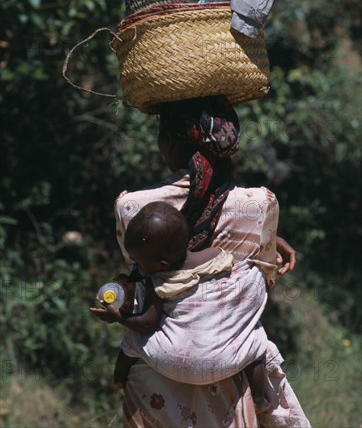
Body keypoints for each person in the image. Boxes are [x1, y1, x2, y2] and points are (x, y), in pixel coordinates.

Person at [92, 95, 310, 428]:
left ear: (167, 140)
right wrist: (268, 238)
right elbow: (261, 275)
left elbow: (143, 274)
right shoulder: (261, 205)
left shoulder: (132, 207)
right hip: (229, 375)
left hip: (155, 385)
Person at [101, 201, 272, 414]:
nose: (136, 266)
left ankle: (119, 379)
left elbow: (146, 324)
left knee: (132, 339)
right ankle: (260, 398)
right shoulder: (214, 255)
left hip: (176, 366)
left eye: (139, 262)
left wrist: (117, 316)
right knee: (253, 337)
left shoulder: (157, 281)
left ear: (162, 265)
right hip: (227, 361)